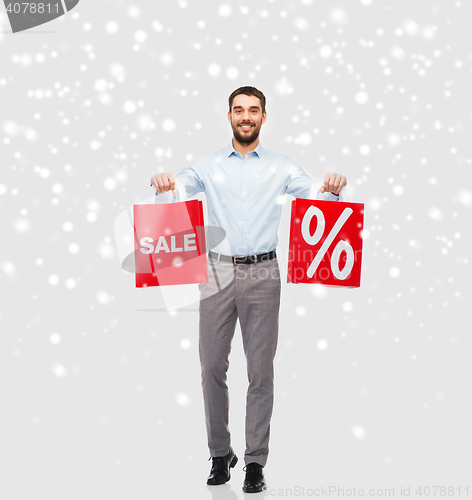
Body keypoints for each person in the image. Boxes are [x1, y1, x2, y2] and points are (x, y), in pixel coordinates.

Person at [150, 86, 347, 493]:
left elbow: (317, 197)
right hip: (217, 272)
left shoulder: (281, 165)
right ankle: (220, 454)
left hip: (264, 274)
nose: (246, 116)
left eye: (253, 110)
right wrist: (163, 183)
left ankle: (255, 461)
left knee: (260, 371)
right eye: (239, 110)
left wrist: (333, 187)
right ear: (228, 116)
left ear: (263, 117)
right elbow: (176, 192)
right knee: (210, 367)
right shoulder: (206, 164)